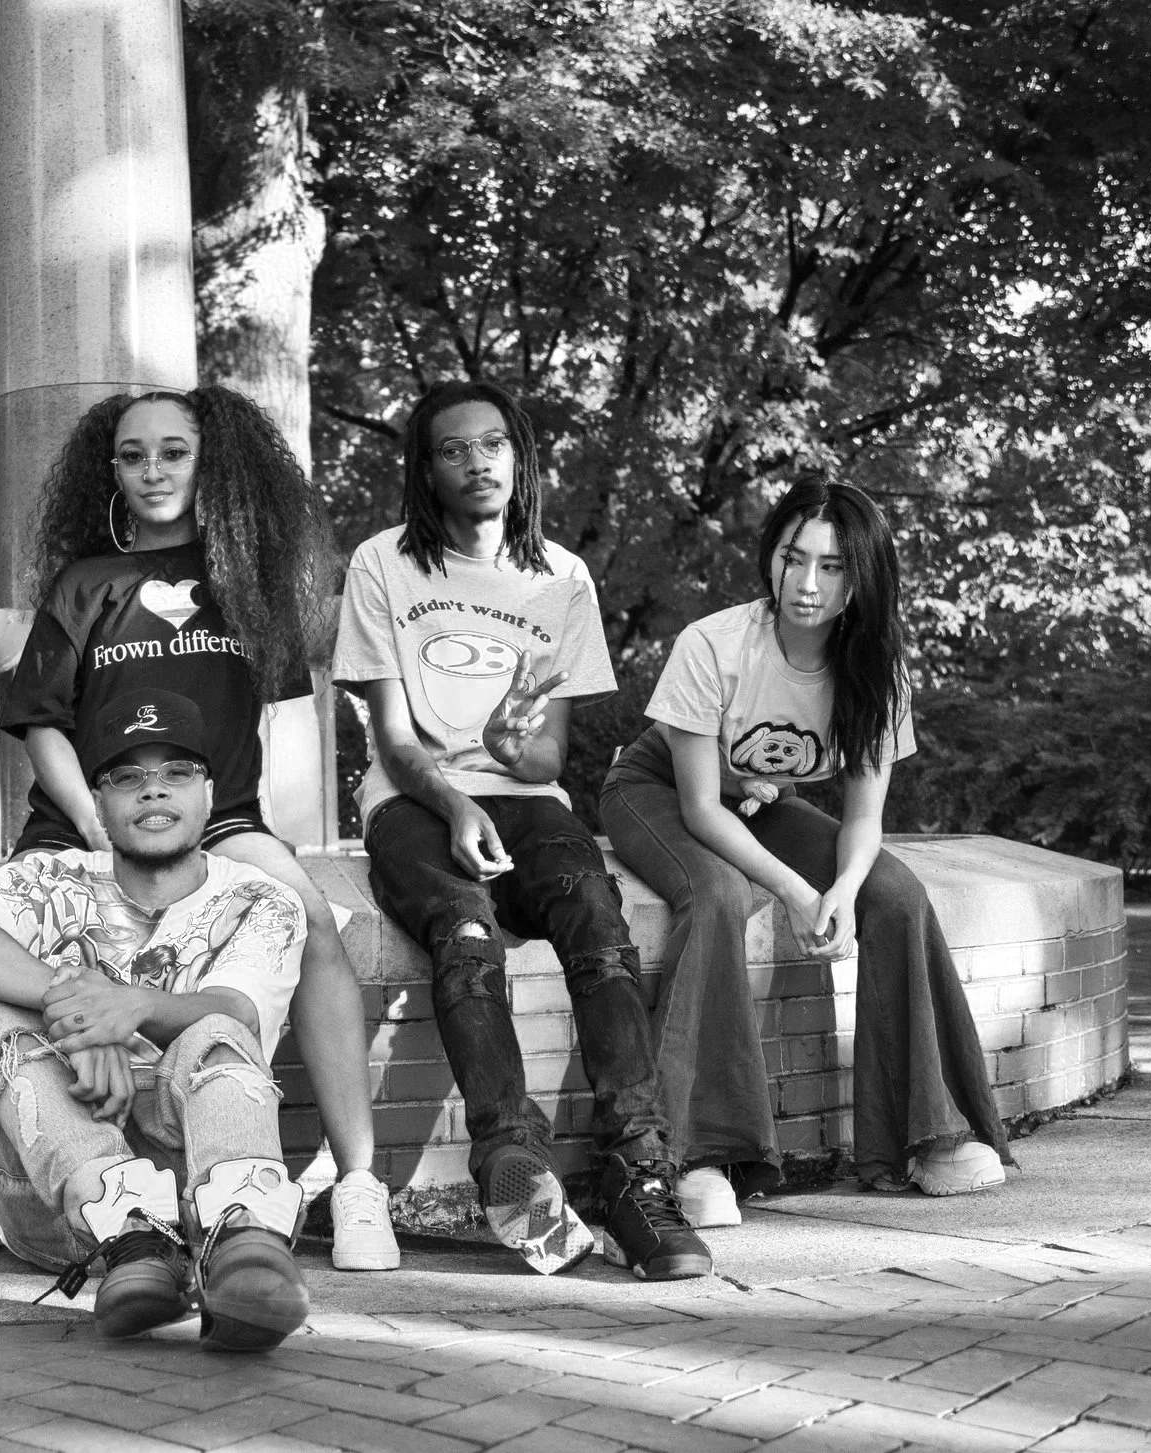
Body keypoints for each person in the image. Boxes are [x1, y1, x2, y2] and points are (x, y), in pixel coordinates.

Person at [0, 386, 398, 1272]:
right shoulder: (84, 582)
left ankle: (358, 1179)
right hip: (84, 811)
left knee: (316, 922)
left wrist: (255, 848)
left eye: (173, 452)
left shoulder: (246, 581)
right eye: (134, 454)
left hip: (215, 819)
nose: (153, 470)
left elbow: (272, 729)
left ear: (205, 461)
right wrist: (93, 836)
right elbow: (44, 723)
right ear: (110, 468)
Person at [330, 379, 710, 1281]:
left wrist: (511, 743)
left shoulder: (561, 578)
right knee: (465, 932)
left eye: (493, 444)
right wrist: (456, 802)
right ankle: (515, 1158)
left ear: (518, 457)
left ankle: (638, 1168)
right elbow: (390, 736)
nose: (477, 462)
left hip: (526, 805)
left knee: (598, 923)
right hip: (410, 799)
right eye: (454, 448)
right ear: (425, 469)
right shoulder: (383, 563)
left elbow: (544, 761)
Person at [598, 480, 1010, 1223]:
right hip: (655, 789)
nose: (806, 583)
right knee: (718, 895)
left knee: (896, 894)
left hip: (761, 800)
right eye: (793, 558)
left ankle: (926, 1133)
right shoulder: (715, 644)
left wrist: (844, 887)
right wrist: (792, 889)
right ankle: (696, 1154)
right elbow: (698, 806)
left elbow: (862, 819)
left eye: (831, 567)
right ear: (772, 558)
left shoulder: (875, 671)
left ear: (861, 578)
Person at [0, 688, 312, 1351]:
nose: (152, 792)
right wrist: (73, 1012)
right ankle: (133, 1234)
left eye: (175, 773)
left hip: (201, 1182)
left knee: (214, 1029)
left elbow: (238, 1009)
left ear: (211, 792)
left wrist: (134, 1006)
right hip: (59, 1199)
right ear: (96, 802)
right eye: (127, 777)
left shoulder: (258, 897)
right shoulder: (54, 879)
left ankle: (245, 1238)